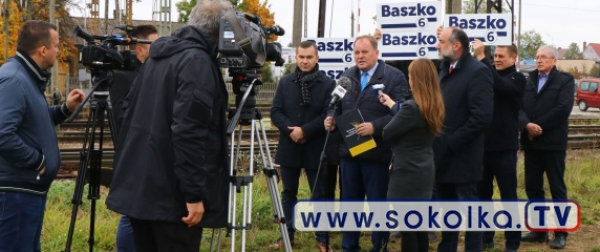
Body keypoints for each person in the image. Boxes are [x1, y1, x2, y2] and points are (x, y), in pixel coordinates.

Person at [105, 0, 231, 251]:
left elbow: (129, 114)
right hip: (172, 201)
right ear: (222, 30)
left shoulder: (160, 57)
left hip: (143, 192)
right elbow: (189, 132)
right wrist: (193, 194)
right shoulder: (197, 62)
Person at [0, 20, 85, 251]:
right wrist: (39, 162)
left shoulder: (27, 77)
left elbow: (32, 121)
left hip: (27, 191)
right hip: (16, 193)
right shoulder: (14, 79)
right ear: (43, 50)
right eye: (56, 45)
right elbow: (2, 134)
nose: (59, 51)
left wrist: (64, 109)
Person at [324, 35, 410, 252]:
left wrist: (375, 127)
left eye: (364, 52)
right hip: (349, 153)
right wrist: (330, 118)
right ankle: (349, 246)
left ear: (376, 53)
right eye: (357, 53)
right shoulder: (347, 75)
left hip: (377, 154)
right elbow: (334, 105)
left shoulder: (393, 77)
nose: (360, 57)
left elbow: (403, 114)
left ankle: (379, 246)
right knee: (350, 204)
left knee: (377, 205)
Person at [269, 40, 336, 251]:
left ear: (317, 58)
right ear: (296, 58)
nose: (305, 61)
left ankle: (322, 238)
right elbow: (275, 111)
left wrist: (305, 131)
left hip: (316, 147)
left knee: (319, 194)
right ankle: (286, 236)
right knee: (289, 193)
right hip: (289, 146)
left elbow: (328, 114)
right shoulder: (286, 82)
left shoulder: (328, 84)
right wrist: (292, 131)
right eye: (301, 57)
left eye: (309, 57)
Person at [433, 27, 493, 252]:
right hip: (443, 155)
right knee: (448, 209)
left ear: (456, 45)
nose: (437, 45)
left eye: (441, 41)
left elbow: (482, 117)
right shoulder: (444, 70)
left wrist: (451, 142)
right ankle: (447, 247)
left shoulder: (477, 72)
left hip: (463, 156)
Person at [379, 59, 445, 252]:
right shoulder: (433, 104)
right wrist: (392, 105)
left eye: (409, 75)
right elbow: (409, 120)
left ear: (415, 79)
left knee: (408, 229)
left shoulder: (411, 107)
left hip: (406, 172)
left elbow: (387, 132)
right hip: (424, 169)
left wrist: (395, 112)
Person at [472, 40, 526, 252]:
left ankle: (513, 242)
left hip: (504, 149)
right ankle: (486, 237)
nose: (496, 59)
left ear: (513, 58)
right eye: (495, 56)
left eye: (501, 56)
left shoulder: (518, 79)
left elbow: (501, 86)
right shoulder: (487, 74)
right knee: (483, 195)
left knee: (508, 196)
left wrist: (482, 58)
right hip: (483, 148)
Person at [518, 45, 574, 250]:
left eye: (543, 57)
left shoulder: (565, 81)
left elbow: (563, 109)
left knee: (557, 188)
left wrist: (538, 126)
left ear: (554, 61)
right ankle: (539, 231)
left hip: (552, 144)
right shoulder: (528, 80)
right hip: (531, 144)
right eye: (537, 57)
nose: (539, 60)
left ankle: (561, 233)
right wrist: (526, 125)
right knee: (533, 187)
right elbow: (519, 108)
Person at [109, 24, 158, 252]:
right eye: (154, 45)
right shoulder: (125, 77)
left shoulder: (151, 73)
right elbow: (122, 121)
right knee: (131, 216)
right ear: (140, 50)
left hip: (147, 157)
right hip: (134, 157)